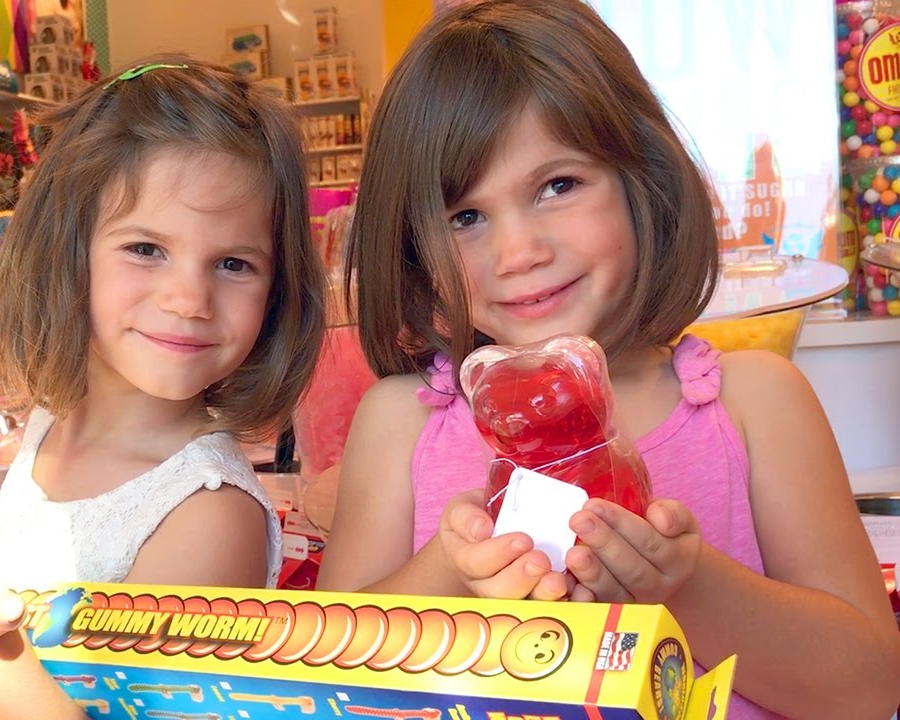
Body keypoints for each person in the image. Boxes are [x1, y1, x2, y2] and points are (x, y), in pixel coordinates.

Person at [316, 2, 900, 717]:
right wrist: (451, 576)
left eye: (557, 186)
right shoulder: (402, 424)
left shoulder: (755, 404)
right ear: (412, 248)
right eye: (464, 216)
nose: (519, 252)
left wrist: (686, 586)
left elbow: (867, 689)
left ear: (641, 179)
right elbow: (325, 675)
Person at [0, 55, 325, 718]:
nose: (189, 298)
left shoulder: (207, 515)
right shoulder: (50, 420)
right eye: (146, 248)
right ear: (69, 250)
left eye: (234, 263)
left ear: (277, 293)